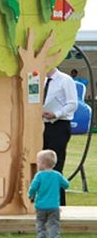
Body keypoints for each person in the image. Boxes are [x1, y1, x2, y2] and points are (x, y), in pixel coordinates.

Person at [42, 67, 78, 206]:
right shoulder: (42, 80)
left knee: (56, 164)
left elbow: (72, 103)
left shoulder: (65, 80)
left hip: (59, 125)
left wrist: (57, 113)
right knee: (43, 163)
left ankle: (59, 203)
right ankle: (44, 200)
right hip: (43, 125)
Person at [28, 149, 70, 238]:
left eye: (38, 162)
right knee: (54, 224)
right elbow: (66, 185)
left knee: (40, 222)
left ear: (43, 163)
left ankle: (41, 235)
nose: (37, 164)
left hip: (40, 205)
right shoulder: (57, 175)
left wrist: (30, 195)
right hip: (54, 206)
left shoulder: (39, 176)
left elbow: (33, 187)